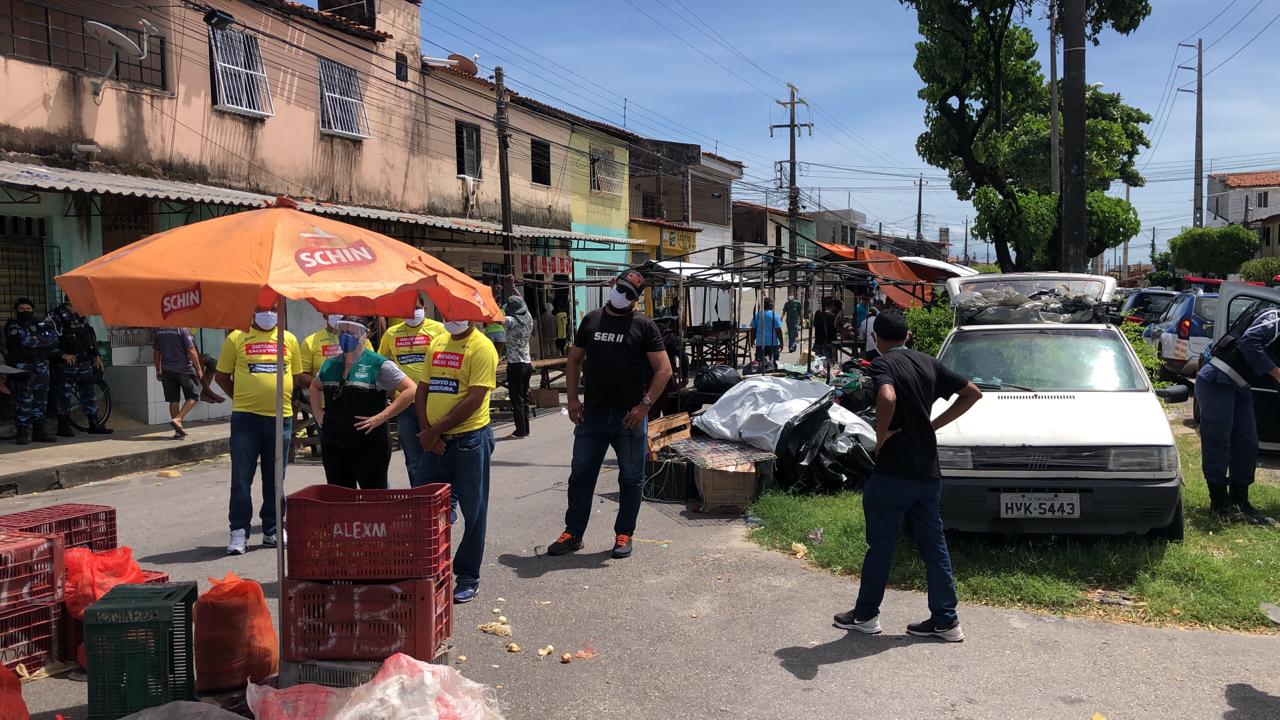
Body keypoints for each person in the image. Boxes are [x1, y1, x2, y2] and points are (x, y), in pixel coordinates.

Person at [834, 311, 981, 642]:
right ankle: (946, 620)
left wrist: (881, 434)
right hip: (928, 472)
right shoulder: (930, 362)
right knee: (934, 546)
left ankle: (866, 615)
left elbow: (887, 396)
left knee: (881, 545)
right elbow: (972, 392)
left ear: (876, 338)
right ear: (909, 335)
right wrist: (934, 425)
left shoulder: (883, 365)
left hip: (893, 472)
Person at [547, 269, 672, 560]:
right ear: (613, 285)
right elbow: (574, 360)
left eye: (631, 294)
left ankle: (624, 533)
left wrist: (644, 407)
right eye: (621, 288)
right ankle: (573, 533)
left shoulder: (644, 326)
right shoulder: (591, 320)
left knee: (630, 477)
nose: (623, 295)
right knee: (580, 475)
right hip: (592, 415)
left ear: (636, 299)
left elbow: (664, 370)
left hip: (628, 418)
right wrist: (573, 399)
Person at [413, 317, 499, 604]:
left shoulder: (482, 347)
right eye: (448, 311)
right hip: (434, 443)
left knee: (474, 512)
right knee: (423, 508)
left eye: (459, 311)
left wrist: (433, 431)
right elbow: (423, 388)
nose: (452, 317)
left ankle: (467, 576)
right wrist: (426, 431)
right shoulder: (437, 343)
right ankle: (427, 571)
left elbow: (474, 399)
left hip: (469, 441)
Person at [214, 306, 301, 555]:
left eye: (272, 308)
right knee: (242, 478)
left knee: (276, 478)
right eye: (262, 308)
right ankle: (239, 531)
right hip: (246, 419)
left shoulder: (289, 338)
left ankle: (272, 529)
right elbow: (221, 376)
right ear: (252, 310)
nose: (268, 313)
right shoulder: (236, 337)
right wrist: (240, 397)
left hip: (280, 419)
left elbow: (294, 375)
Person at [1195, 305, 1280, 524]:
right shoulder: (1275, 317)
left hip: (1241, 386)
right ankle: (1220, 504)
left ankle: (1239, 502)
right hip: (1218, 379)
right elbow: (1250, 342)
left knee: (1248, 444)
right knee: (1218, 443)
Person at [310, 320, 417, 490]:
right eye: (342, 332)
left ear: (364, 335)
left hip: (370, 446)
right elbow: (315, 387)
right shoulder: (330, 364)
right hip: (335, 444)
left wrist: (381, 417)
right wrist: (319, 416)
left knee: (373, 501)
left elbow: (411, 390)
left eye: (351, 332)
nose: (345, 336)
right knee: (340, 499)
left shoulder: (378, 364)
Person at [379, 298, 446, 480]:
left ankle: (441, 495)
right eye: (408, 308)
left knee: (438, 450)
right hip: (406, 404)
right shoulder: (392, 334)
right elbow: (381, 362)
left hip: (435, 401)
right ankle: (418, 497)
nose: (413, 312)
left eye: (416, 308)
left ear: (424, 308)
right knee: (412, 455)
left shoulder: (439, 329)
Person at [49, 298, 112, 436]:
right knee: (63, 395)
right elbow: (48, 338)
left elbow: (89, 336)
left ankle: (94, 423)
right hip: (66, 363)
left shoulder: (81, 315)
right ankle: (63, 425)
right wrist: (61, 354)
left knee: (88, 393)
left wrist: (96, 355)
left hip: (84, 361)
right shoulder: (55, 316)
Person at [4, 298, 59, 445]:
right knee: (24, 399)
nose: (25, 312)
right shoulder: (13, 326)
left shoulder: (40, 324)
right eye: (21, 309)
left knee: (41, 399)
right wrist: (40, 340)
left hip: (41, 366)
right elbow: (24, 341)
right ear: (16, 311)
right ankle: (22, 432)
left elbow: (53, 339)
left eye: (28, 309)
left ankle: (38, 431)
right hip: (22, 367)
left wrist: (37, 340)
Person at [153, 326, 204, 437]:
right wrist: (198, 368)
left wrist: (158, 369)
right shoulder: (182, 330)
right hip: (184, 369)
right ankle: (178, 419)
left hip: (167, 370)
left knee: (173, 400)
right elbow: (191, 350)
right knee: (194, 396)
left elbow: (157, 352)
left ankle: (178, 431)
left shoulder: (159, 331)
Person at [300, 314, 371, 390]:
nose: (338, 315)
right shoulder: (310, 342)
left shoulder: (361, 339)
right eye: (333, 312)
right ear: (324, 315)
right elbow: (301, 376)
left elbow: (371, 367)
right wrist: (327, 386)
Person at [501, 295, 534, 439]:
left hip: (515, 364)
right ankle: (525, 429)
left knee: (517, 399)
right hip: (527, 363)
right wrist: (513, 286)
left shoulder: (511, 321)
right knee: (524, 398)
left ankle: (520, 431)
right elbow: (523, 300)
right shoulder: (529, 318)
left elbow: (496, 318)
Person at [749, 296, 784, 364]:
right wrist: (781, 342)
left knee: (760, 364)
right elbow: (778, 331)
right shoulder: (774, 315)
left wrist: (752, 340)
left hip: (760, 343)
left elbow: (753, 330)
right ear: (770, 305)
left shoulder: (758, 315)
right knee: (775, 363)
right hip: (772, 343)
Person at [813, 297, 839, 362]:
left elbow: (815, 324)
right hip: (829, 344)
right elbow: (837, 328)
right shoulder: (833, 316)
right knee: (829, 366)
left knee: (817, 366)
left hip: (818, 343)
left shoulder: (817, 314)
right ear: (832, 305)